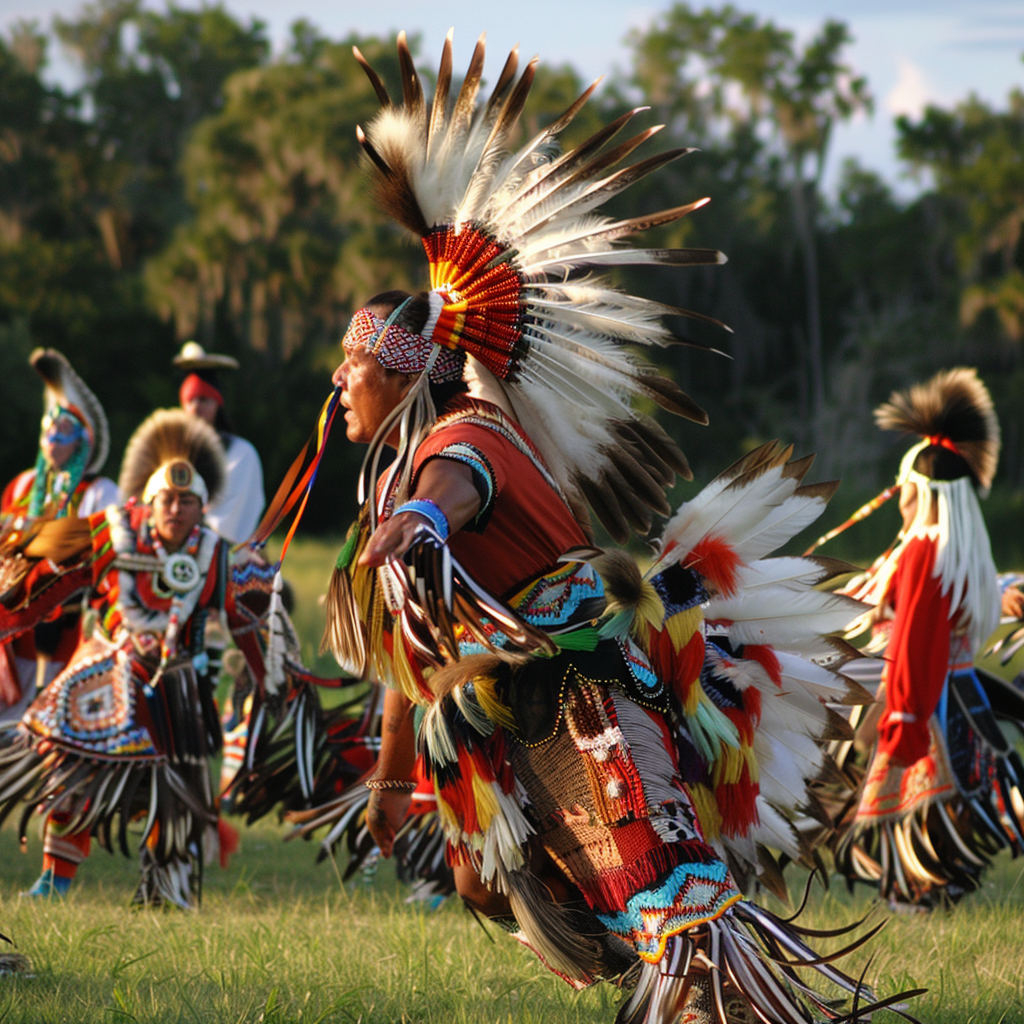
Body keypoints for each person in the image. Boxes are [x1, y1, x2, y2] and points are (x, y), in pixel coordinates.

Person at [303, 33, 911, 1024]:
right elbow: (416, 649)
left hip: (586, 697)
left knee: (674, 909)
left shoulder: (460, 440)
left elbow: (459, 487)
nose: (338, 378)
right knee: (511, 882)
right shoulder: (461, 432)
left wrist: (420, 516)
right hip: (536, 701)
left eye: (352, 361)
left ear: (406, 370)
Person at [0, 409, 285, 906]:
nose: (176, 510)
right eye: (168, 500)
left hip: (176, 686)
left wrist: (268, 681)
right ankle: (54, 879)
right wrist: (12, 611)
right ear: (149, 503)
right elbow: (50, 578)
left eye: (187, 502)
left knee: (174, 793)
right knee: (68, 765)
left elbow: (246, 621)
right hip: (105, 669)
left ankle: (167, 890)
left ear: (202, 508)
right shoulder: (112, 533)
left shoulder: (216, 555)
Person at [833, 368, 1024, 906]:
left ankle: (915, 893)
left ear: (921, 490)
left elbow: (917, 641)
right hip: (964, 696)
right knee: (946, 810)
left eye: (904, 490)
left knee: (911, 812)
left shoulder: (923, 554)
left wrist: (905, 718)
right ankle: (935, 889)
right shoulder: (967, 553)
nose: (899, 502)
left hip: (921, 701)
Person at [0, 349, 118, 721]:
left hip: (72, 628)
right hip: (14, 628)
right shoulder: (22, 485)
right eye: (48, 428)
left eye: (64, 430)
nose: (53, 438)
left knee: (55, 724)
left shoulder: (100, 492)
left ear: (84, 440)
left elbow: (108, 556)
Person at [174, 341, 264, 546]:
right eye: (191, 401)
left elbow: (229, 524)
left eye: (204, 400)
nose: (196, 408)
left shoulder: (241, 454)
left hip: (225, 555)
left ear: (217, 404)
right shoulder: (170, 451)